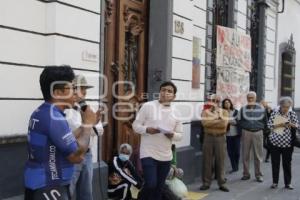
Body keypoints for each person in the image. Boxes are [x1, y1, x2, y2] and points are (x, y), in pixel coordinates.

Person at [24, 66, 97, 200]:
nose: (76, 93)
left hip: (40, 184)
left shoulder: (43, 111)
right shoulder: (53, 118)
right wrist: (87, 125)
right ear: (58, 92)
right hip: (49, 187)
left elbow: (61, 140)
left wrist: (83, 126)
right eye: (72, 88)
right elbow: (77, 157)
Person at [132, 81, 183, 200]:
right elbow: (135, 126)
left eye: (169, 91)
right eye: (163, 90)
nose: (165, 93)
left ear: (174, 96)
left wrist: (172, 135)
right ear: (159, 92)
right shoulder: (148, 106)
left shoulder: (177, 112)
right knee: (151, 184)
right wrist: (147, 129)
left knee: (159, 188)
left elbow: (180, 135)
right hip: (148, 152)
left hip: (166, 156)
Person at [65, 75, 104, 200]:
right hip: (73, 154)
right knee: (68, 191)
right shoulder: (66, 110)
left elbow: (100, 130)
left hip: (88, 155)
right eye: (82, 89)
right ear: (74, 90)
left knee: (86, 193)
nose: (85, 92)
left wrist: (88, 125)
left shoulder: (88, 108)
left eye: (86, 89)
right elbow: (75, 128)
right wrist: (89, 124)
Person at [267, 97, 299, 189]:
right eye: (284, 107)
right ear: (280, 105)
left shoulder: (292, 114)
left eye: (288, 107)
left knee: (287, 164)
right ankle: (275, 182)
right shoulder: (275, 113)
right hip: (275, 143)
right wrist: (279, 124)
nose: (286, 109)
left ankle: (288, 183)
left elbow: (297, 126)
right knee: (275, 163)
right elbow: (269, 126)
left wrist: (291, 124)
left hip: (288, 144)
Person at [200, 94, 229, 192]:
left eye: (217, 101)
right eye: (213, 100)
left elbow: (224, 124)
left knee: (220, 160)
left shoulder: (225, 112)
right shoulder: (205, 112)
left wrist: (211, 121)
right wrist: (217, 120)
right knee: (207, 161)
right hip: (208, 137)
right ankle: (206, 183)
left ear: (220, 102)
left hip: (220, 138)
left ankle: (221, 183)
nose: (215, 102)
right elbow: (204, 123)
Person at [238, 91, 267, 182]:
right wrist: (244, 126)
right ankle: (246, 174)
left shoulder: (261, 109)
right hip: (246, 132)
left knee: (258, 155)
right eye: (249, 98)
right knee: (245, 154)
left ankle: (258, 175)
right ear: (247, 99)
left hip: (258, 132)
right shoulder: (242, 109)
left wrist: (261, 128)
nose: (250, 99)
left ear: (255, 98)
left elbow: (265, 120)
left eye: (252, 98)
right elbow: (239, 120)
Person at [222, 98, 240, 173]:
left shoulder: (236, 111)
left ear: (230, 103)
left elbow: (238, 122)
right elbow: (223, 122)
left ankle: (236, 165)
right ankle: (234, 167)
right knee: (230, 152)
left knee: (237, 152)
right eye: (225, 103)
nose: (227, 104)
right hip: (227, 135)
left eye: (228, 102)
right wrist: (231, 120)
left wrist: (228, 120)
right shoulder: (222, 112)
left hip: (236, 134)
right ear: (223, 104)